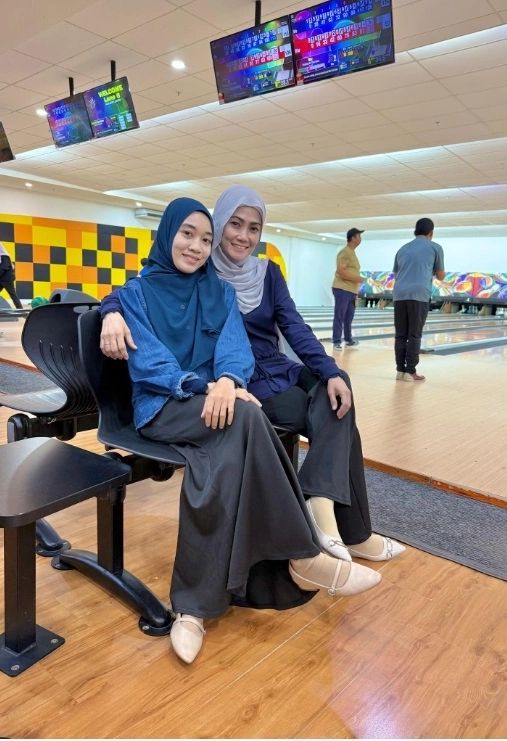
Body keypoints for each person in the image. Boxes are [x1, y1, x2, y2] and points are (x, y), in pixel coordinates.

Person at [106, 196, 382, 664]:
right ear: (167, 233)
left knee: (228, 446)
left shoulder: (220, 291)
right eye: (187, 234)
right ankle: (304, 557)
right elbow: (150, 365)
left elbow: (236, 349)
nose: (196, 246)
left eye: (204, 239)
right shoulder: (134, 294)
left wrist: (229, 380)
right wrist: (205, 386)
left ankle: (194, 608)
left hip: (214, 401)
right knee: (247, 416)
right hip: (163, 404)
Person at [393, 218, 446, 382]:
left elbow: (396, 273)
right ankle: (410, 371)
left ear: (415, 231)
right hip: (419, 295)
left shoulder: (402, 249)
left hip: (399, 294)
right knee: (414, 335)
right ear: (431, 232)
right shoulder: (435, 247)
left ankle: (400, 371)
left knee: (400, 335)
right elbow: (440, 276)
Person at [331, 227, 365, 350]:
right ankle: (336, 341)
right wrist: (357, 279)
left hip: (351, 290)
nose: (361, 238)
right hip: (342, 288)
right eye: (359, 236)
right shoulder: (345, 252)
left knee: (348, 317)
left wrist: (355, 290)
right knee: (340, 316)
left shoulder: (352, 252)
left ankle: (348, 339)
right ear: (353, 238)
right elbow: (340, 271)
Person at [0, 239, 23, 308]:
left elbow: (4, 267)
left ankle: (20, 309)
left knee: (12, 295)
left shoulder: (4, 256)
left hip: (7, 279)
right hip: (0, 280)